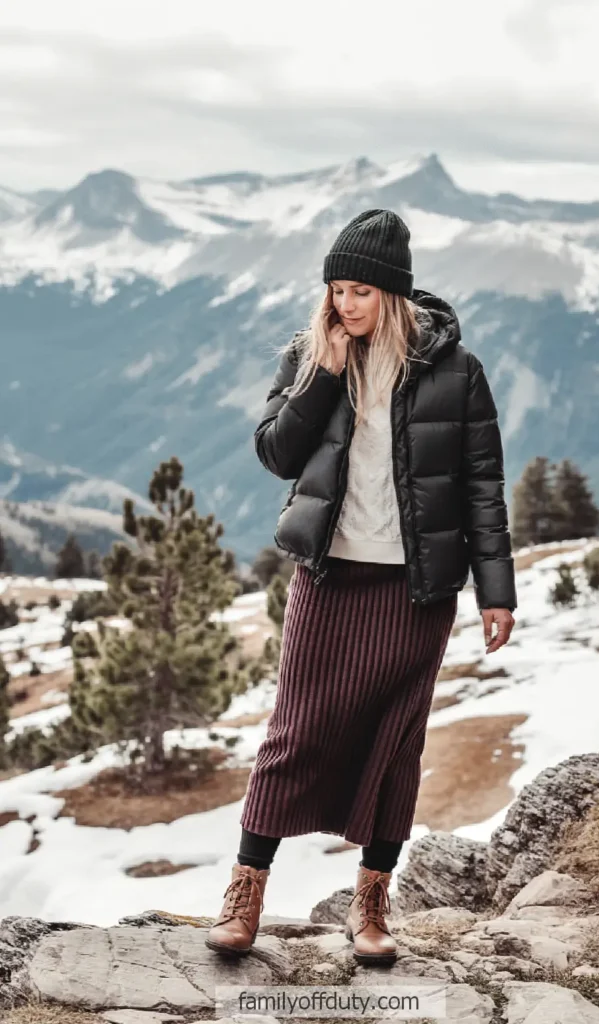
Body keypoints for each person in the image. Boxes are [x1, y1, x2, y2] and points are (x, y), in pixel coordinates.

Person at [206, 208, 517, 965]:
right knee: (295, 732)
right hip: (329, 574)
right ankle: (245, 894)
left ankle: (371, 904)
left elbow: (482, 485)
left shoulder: (456, 371)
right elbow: (277, 455)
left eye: (360, 292)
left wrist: (495, 591)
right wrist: (324, 374)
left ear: (393, 294)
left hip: (417, 590)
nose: (344, 304)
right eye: (336, 290)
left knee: (396, 743)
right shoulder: (309, 355)